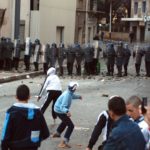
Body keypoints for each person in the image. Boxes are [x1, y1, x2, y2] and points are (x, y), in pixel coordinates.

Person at [1, 84, 50, 150]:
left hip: (15, 147)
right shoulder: (37, 112)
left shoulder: (11, 112)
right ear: (29, 96)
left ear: (16, 97)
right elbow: (46, 133)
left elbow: (5, 134)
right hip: (32, 147)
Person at [52, 81, 82, 148]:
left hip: (57, 109)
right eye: (75, 88)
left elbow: (72, 96)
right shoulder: (67, 95)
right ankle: (63, 142)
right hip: (59, 110)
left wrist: (78, 97)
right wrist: (67, 111)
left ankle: (57, 133)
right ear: (74, 89)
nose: (76, 89)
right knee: (71, 126)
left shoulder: (69, 92)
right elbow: (62, 107)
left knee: (65, 121)